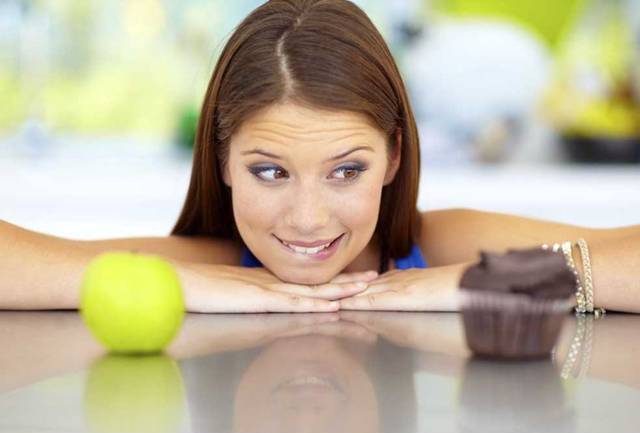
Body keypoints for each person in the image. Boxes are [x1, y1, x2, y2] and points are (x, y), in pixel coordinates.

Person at [1, 0, 639, 313]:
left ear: (393, 157)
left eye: (346, 170)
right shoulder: (214, 266)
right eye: (270, 171)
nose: (307, 219)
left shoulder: (438, 247)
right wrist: (179, 282)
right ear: (222, 162)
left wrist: (467, 282)